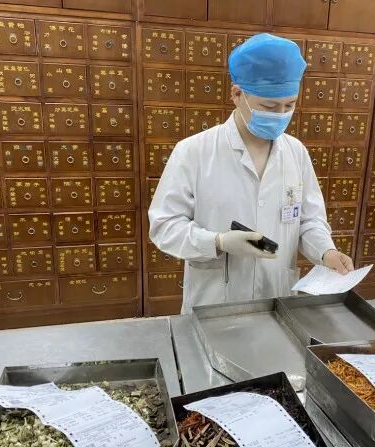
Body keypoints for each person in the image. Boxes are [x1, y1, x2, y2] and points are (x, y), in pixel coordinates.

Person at [148, 33, 354, 314]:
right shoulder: (194, 152)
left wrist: (326, 252)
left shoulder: (296, 153)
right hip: (215, 302)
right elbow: (164, 226)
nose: (280, 115)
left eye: (289, 105)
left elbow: (309, 220)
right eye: (269, 106)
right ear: (237, 94)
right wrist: (217, 242)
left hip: (276, 300)